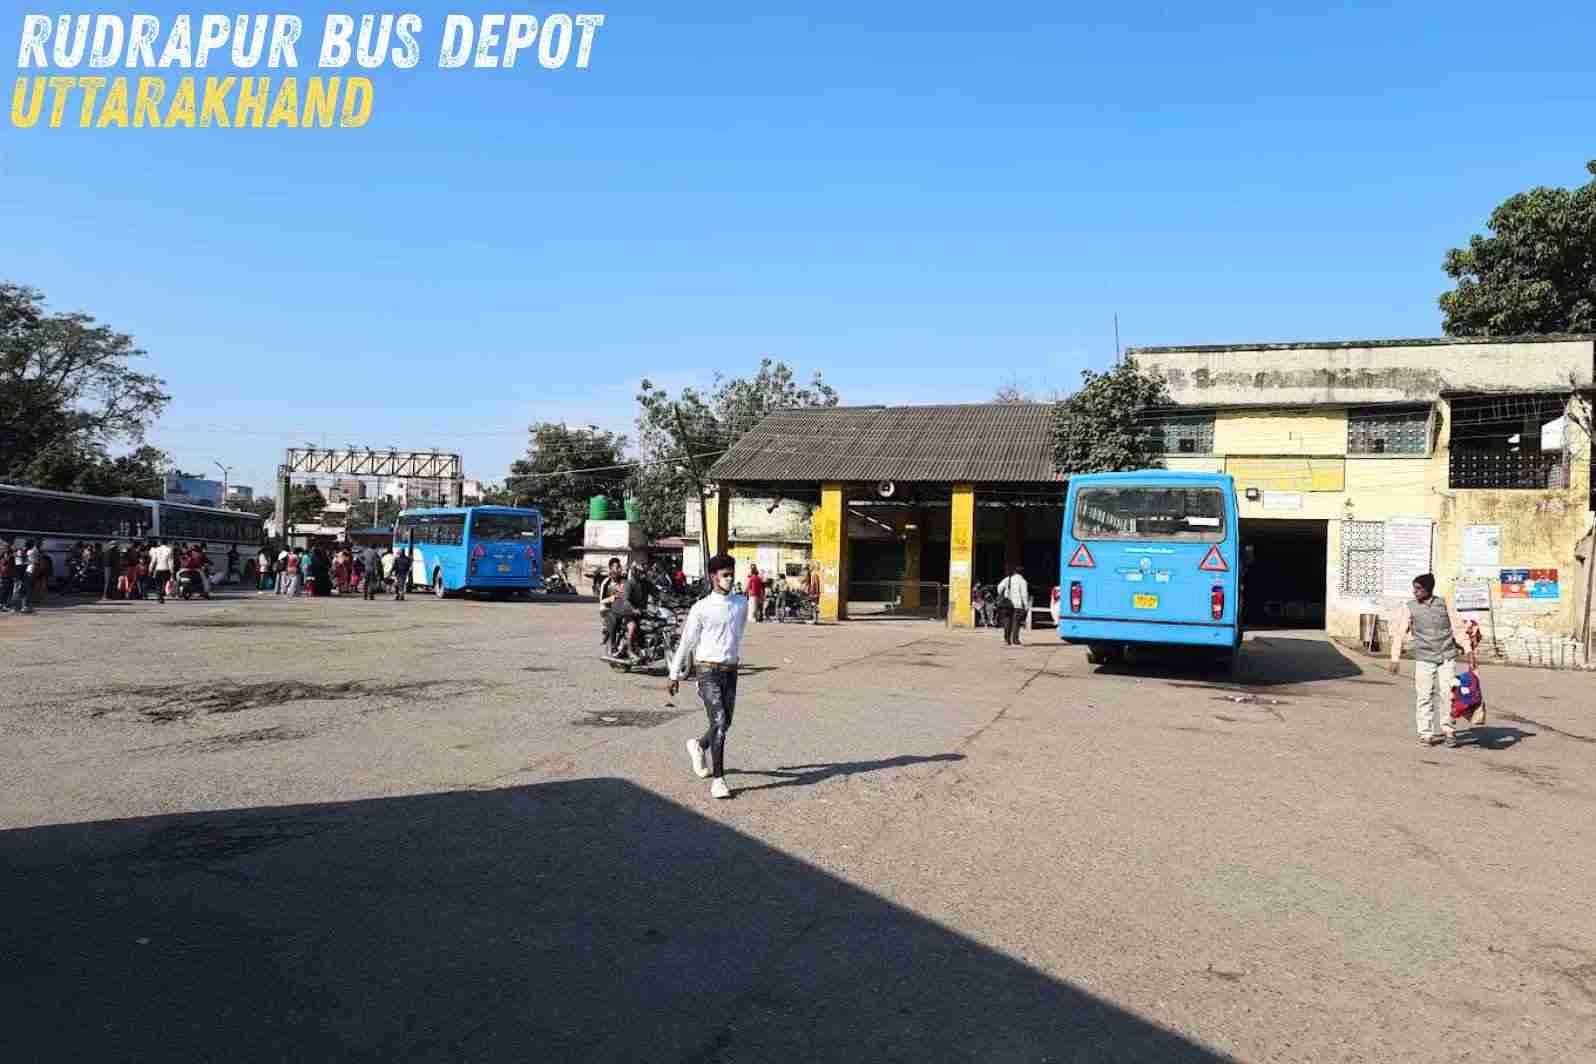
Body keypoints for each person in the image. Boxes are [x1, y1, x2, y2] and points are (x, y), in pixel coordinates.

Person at [669, 553, 750, 800]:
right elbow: (687, 642)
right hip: (707, 671)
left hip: (731, 670)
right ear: (713, 577)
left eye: (731, 573)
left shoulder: (741, 604)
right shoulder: (701, 608)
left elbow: (737, 634)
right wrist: (674, 674)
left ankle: (698, 745)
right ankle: (719, 780)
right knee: (719, 722)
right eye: (725, 574)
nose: (729, 578)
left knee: (724, 723)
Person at [1389, 573, 1479, 748]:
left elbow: (1458, 629)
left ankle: (1448, 730)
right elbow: (1400, 633)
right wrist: (1395, 658)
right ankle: (1426, 733)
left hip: (1447, 656)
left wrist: (1468, 650)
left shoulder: (1444, 604)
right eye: (1414, 588)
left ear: (1428, 589)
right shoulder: (1410, 607)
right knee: (1424, 695)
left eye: (1419, 589)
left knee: (1448, 695)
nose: (1415, 592)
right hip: (1424, 657)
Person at [612, 562, 659, 661]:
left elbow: (657, 594)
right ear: (634, 572)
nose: (643, 574)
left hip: (641, 611)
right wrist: (633, 609)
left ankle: (646, 647)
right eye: (641, 572)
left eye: (644, 572)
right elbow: (626, 600)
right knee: (632, 626)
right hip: (628, 611)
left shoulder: (646, 583)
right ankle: (630, 650)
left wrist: (672, 601)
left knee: (654, 624)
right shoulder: (629, 584)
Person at [997, 565, 1032, 646]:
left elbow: (999, 587)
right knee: (1016, 623)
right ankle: (1015, 640)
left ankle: (1006, 640)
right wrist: (1026, 605)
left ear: (1015, 572)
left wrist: (1003, 595)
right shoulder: (1023, 581)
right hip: (1017, 605)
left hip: (1007, 604)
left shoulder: (1008, 579)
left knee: (1007, 622)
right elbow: (1024, 594)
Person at [146, 538, 176, 604]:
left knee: (158, 584)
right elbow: (170, 562)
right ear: (167, 543)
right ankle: (162, 595)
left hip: (158, 569)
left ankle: (160, 597)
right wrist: (172, 571)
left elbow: (153, 561)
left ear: (160, 543)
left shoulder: (156, 550)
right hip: (166, 569)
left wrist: (150, 569)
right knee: (164, 584)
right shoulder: (169, 550)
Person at [0, 539, 14, 614]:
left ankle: (5, 605)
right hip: (5, 574)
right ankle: (2, 605)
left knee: (8, 589)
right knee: (5, 589)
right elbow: (5, 562)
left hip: (8, 574)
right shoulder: (5, 554)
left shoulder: (7, 554)